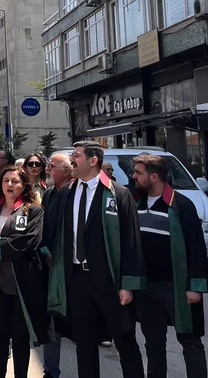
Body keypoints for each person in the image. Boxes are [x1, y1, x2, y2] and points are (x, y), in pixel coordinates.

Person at [47, 141, 145, 378]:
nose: (72, 160)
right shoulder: (67, 192)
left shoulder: (117, 193)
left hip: (110, 280)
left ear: (93, 161)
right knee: (84, 343)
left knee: (125, 340)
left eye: (77, 155)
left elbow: (131, 240)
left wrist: (127, 284)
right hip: (77, 279)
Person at [131, 154, 208, 378]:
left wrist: (195, 287)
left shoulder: (181, 205)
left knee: (190, 341)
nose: (133, 176)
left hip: (176, 287)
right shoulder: (137, 202)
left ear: (154, 176)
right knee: (153, 344)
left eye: (138, 172)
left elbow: (196, 248)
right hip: (146, 287)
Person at [0, 165, 50, 378]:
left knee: (20, 337)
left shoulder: (33, 211)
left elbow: (28, 242)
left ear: (24, 185)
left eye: (15, 181)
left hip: (20, 283)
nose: (10, 184)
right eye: (6, 180)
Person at [41, 152, 73, 378]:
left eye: (52, 166)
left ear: (68, 170)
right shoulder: (49, 193)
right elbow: (42, 228)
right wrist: (45, 252)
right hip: (49, 267)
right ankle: (51, 370)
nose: (47, 169)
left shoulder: (77, 194)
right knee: (51, 322)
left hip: (73, 270)